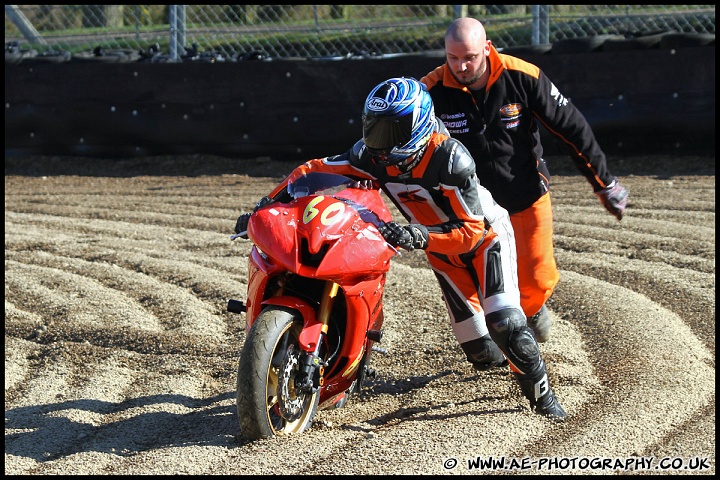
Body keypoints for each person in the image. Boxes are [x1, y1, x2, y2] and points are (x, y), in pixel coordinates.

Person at [234, 77, 566, 419]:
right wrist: (268, 204)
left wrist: (421, 236)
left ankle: (546, 401)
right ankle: (509, 346)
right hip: (439, 251)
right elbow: (314, 171)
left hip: (486, 240)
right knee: (482, 353)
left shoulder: (450, 160)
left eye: (390, 131)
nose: (379, 142)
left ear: (419, 124)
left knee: (505, 326)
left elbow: (471, 232)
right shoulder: (371, 155)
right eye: (374, 128)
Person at [420, 17, 629, 346]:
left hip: (526, 195)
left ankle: (529, 312)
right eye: (452, 58)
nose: (461, 66)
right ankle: (504, 337)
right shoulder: (429, 92)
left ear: (488, 49)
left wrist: (604, 182)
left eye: (470, 57)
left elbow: (571, 127)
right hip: (470, 210)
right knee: (481, 288)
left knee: (536, 281)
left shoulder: (523, 76)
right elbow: (398, 145)